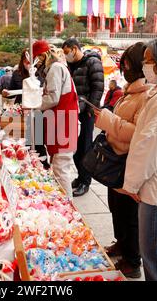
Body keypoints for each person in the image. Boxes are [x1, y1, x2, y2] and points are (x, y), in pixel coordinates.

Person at [114, 35, 157, 281]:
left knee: (154, 254)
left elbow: (149, 145)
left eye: (149, 60)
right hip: (153, 184)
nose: (145, 66)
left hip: (156, 187)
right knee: (154, 253)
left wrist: (132, 184)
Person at [94, 42, 151, 278]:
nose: (123, 68)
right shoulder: (129, 91)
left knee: (130, 214)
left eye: (127, 64)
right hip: (115, 158)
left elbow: (138, 131)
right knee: (116, 207)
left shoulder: (147, 95)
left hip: (128, 160)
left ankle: (133, 260)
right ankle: (121, 244)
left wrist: (108, 120)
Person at [33, 40, 79, 198]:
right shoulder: (55, 68)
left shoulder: (55, 68)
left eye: (37, 58)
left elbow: (53, 97)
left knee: (61, 169)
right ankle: (64, 202)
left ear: (43, 55)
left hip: (64, 123)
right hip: (60, 122)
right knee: (59, 166)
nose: (37, 62)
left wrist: (34, 105)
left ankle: (67, 205)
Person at [62, 38, 104, 197]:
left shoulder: (92, 62)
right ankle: (80, 176)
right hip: (74, 111)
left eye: (67, 52)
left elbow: (98, 87)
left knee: (85, 147)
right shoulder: (71, 65)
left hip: (86, 112)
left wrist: (90, 109)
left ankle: (85, 181)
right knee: (75, 147)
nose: (66, 56)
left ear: (74, 49)